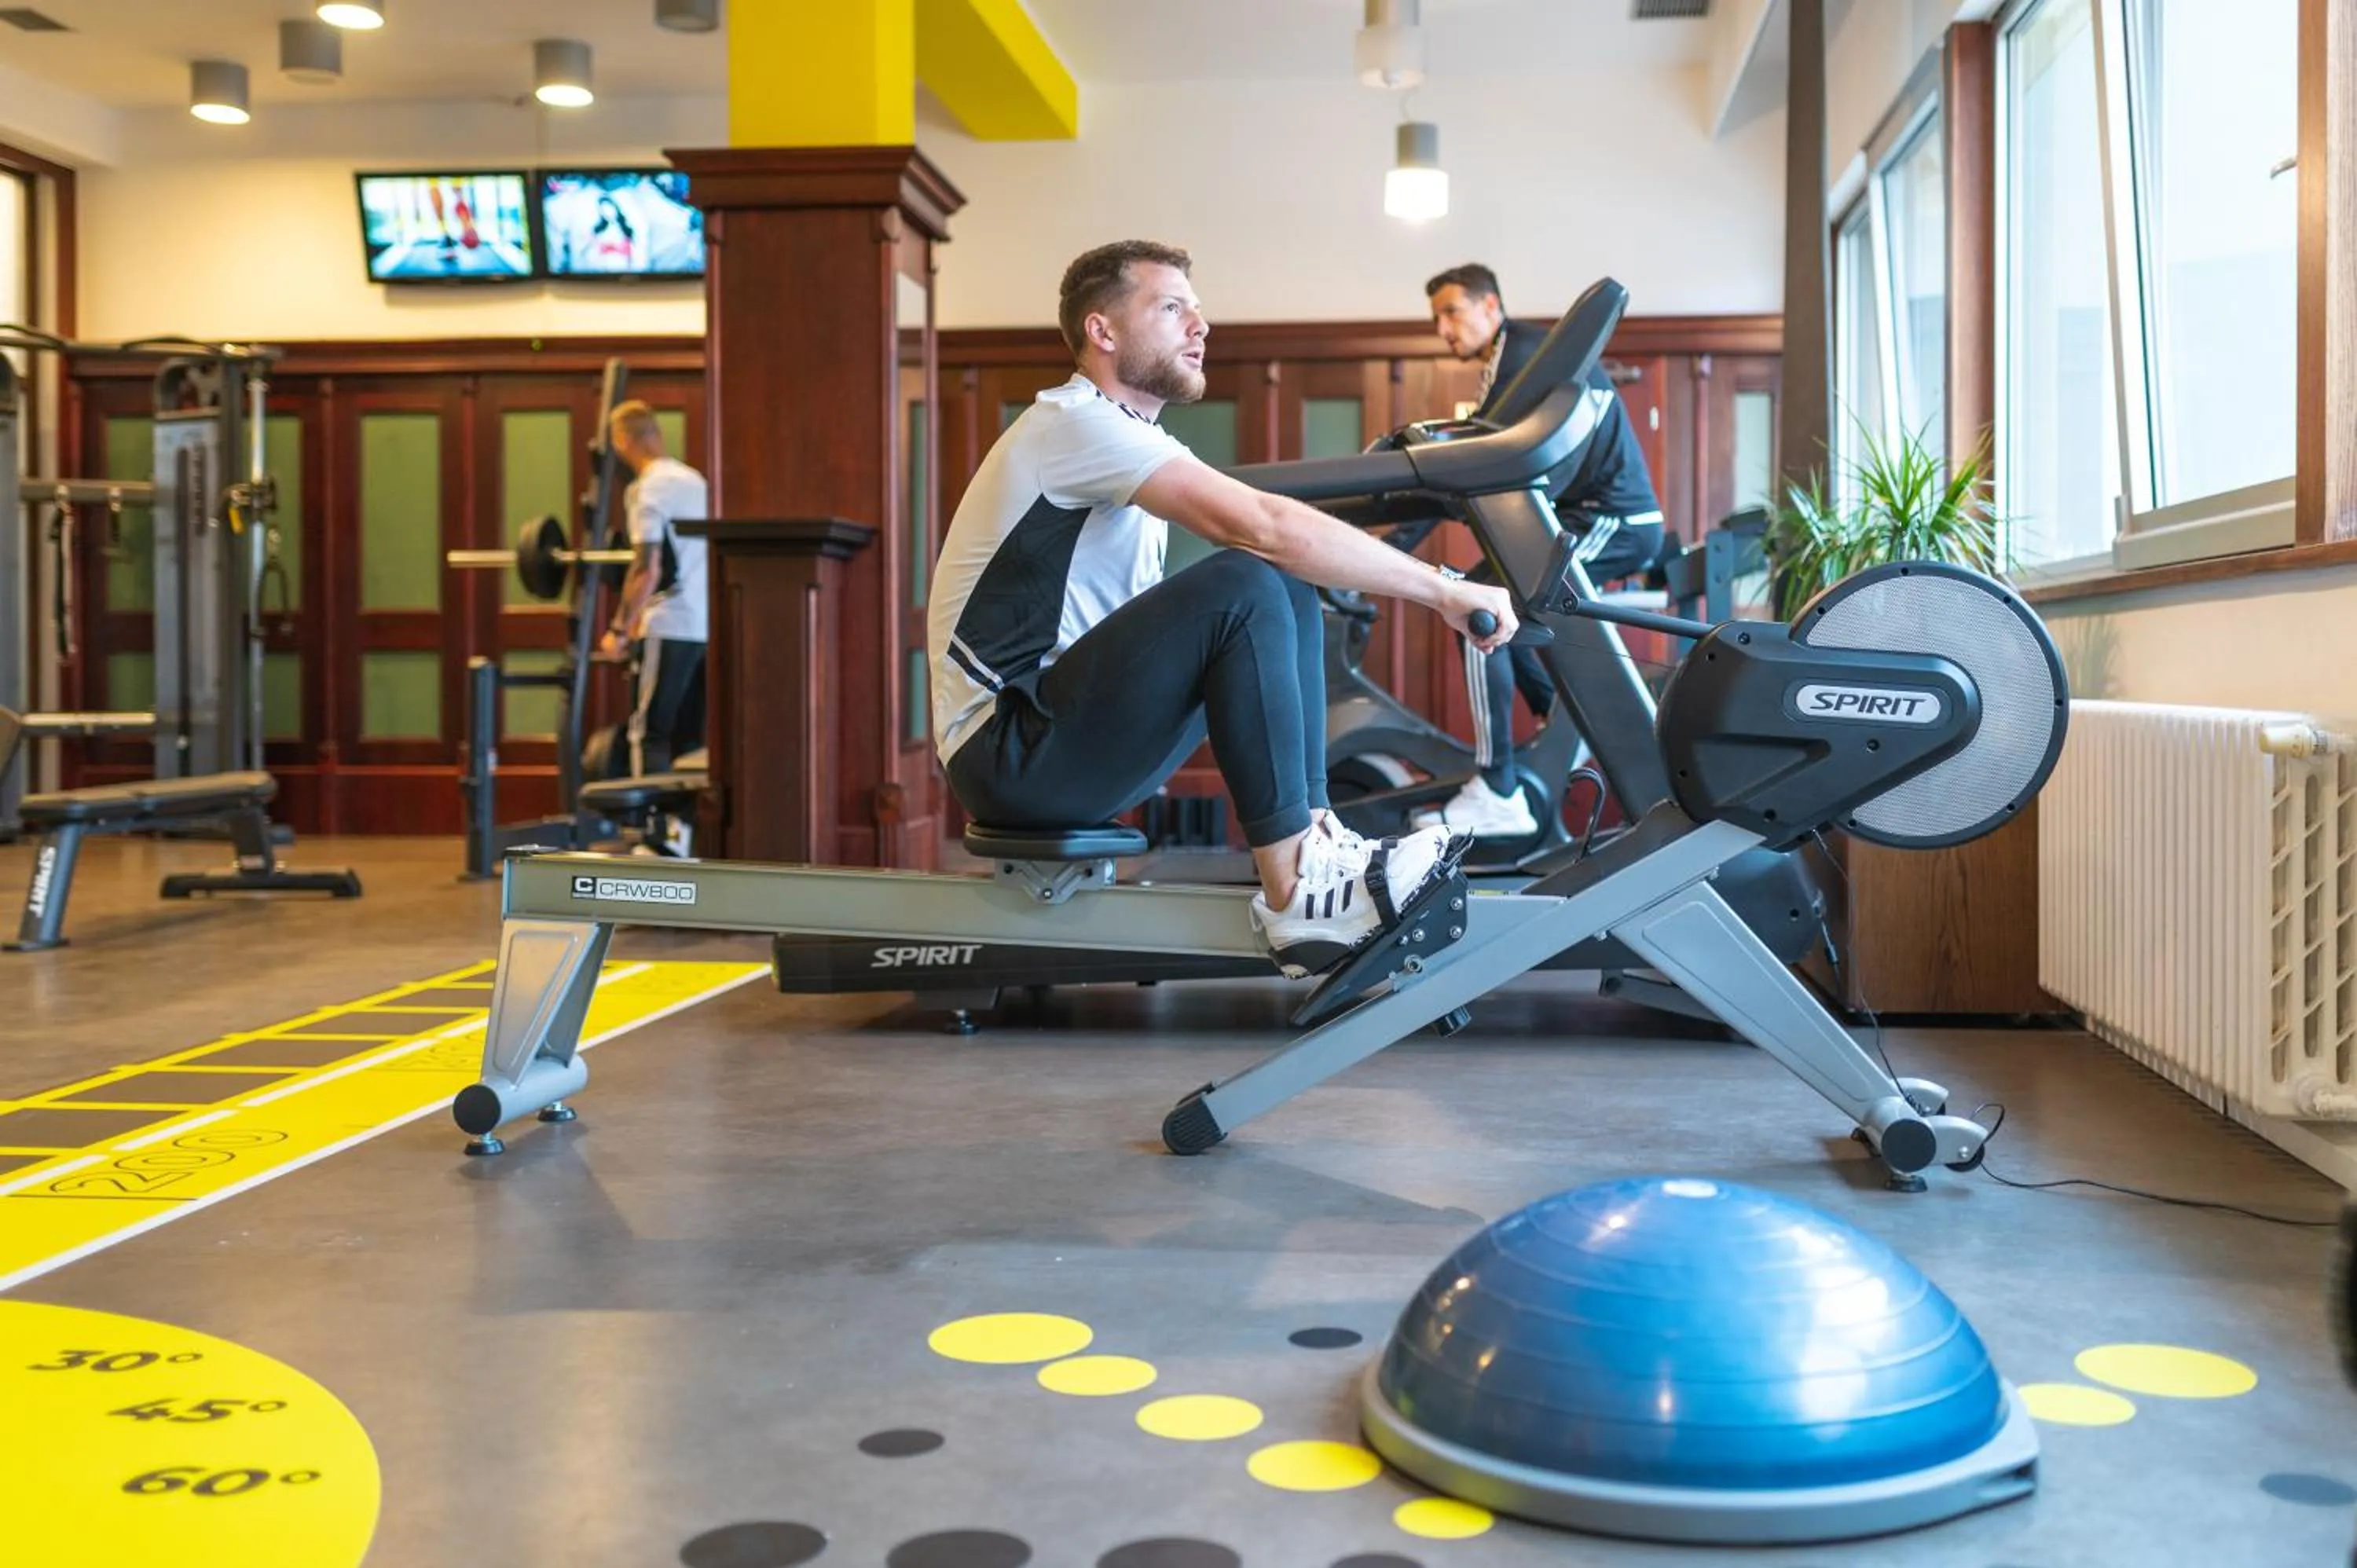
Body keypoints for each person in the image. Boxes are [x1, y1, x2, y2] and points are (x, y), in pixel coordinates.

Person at [929, 240, 1518, 977]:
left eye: (1197, 310)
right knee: (1248, 576)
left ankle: (1319, 845)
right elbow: (1265, 526)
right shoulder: (1073, 426)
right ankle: (1297, 894)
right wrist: (1443, 588)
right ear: (1102, 332)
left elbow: (1276, 541)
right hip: (1007, 752)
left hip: (1058, 742)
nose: (1199, 326)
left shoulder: (1134, 438)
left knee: (1282, 580)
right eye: (1172, 308)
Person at [1411, 263, 1665, 841]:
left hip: (1614, 520)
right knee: (1492, 599)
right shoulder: (1514, 358)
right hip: (1581, 519)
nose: (1443, 329)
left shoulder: (1521, 351)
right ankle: (1559, 721)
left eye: (1452, 312)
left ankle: (1499, 786)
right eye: (1436, 319)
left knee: (1479, 611)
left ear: (1491, 308)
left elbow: (1482, 455)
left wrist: (1395, 540)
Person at [598, 400, 709, 823]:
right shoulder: (695, 481)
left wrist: (620, 628)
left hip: (668, 623)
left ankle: (654, 833)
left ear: (623, 441)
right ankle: (684, 836)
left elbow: (647, 566)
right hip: (704, 627)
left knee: (649, 734)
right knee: (688, 737)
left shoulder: (648, 488)